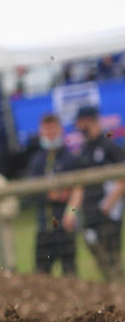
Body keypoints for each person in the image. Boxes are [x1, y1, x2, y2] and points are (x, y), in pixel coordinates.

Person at [67, 106, 125, 282]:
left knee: (112, 257)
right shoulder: (84, 150)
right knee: (100, 259)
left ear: (89, 120)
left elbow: (122, 179)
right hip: (89, 213)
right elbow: (80, 186)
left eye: (80, 122)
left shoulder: (109, 146)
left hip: (108, 213)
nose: (78, 126)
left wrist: (108, 204)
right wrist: (71, 212)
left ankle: (119, 288)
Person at [27, 113, 77, 276]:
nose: (50, 134)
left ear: (60, 130)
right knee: (41, 272)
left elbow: (78, 190)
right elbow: (29, 193)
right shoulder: (37, 160)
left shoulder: (70, 158)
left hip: (65, 226)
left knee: (69, 271)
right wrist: (50, 196)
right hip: (44, 227)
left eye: (53, 130)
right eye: (46, 130)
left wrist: (71, 209)